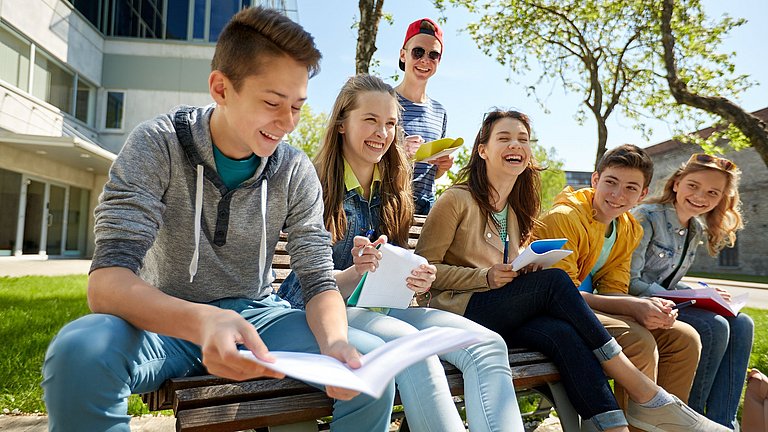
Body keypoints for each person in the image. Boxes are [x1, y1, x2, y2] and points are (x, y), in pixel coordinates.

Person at [40, 8, 396, 432]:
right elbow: (107, 283)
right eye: (272, 103)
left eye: (298, 107)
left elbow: (318, 280)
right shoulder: (158, 146)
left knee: (369, 363)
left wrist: (335, 342)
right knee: (80, 352)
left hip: (260, 317)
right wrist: (202, 320)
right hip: (165, 321)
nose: (287, 124)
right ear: (221, 88)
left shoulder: (293, 170)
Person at [415, 109, 728, 432]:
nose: (515, 145)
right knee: (554, 282)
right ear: (483, 150)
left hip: (503, 311)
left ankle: (614, 427)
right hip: (459, 311)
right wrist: (485, 277)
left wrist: (523, 268)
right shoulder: (457, 199)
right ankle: (646, 395)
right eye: (504, 138)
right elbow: (424, 273)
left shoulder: (517, 206)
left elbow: (511, 268)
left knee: (563, 335)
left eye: (523, 139)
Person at [278, 74, 524, 432]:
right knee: (412, 351)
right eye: (371, 120)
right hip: (319, 311)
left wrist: (416, 278)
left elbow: (394, 270)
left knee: (485, 343)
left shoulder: (395, 187)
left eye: (390, 123)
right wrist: (356, 273)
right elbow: (308, 284)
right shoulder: (312, 185)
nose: (382, 132)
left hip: (378, 309)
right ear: (343, 123)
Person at [534, 144, 702, 420]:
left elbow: (613, 290)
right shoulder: (565, 218)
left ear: (643, 194)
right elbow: (559, 295)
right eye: (610, 182)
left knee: (684, 338)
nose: (617, 195)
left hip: (584, 309)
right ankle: (635, 426)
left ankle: (668, 425)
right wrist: (633, 307)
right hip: (549, 313)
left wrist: (645, 307)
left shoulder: (627, 228)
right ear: (595, 180)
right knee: (638, 341)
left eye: (630, 188)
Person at [629, 153, 753, 430]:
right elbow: (630, 280)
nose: (700, 196)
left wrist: (704, 292)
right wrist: (683, 297)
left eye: (712, 192)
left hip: (665, 301)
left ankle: (723, 421)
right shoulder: (646, 217)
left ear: (721, 198)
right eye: (693, 186)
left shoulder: (695, 229)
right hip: (637, 304)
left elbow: (669, 281)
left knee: (743, 323)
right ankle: (692, 419)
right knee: (714, 326)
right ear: (676, 183)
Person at [395, 17, 454, 215]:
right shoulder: (383, 101)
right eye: (418, 52)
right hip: (387, 205)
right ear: (403, 55)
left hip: (425, 211)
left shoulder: (440, 112)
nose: (425, 60)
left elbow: (430, 174)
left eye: (433, 54)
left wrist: (442, 168)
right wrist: (400, 152)